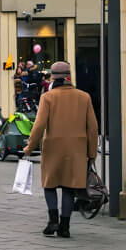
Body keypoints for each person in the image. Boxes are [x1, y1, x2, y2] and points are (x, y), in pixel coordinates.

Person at [23, 60, 98, 239]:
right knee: (69, 187)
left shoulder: (47, 97)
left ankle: (53, 221)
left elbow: (39, 125)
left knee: (50, 184)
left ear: (53, 79)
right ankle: (65, 226)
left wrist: (29, 147)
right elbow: (93, 128)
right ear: (69, 77)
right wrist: (92, 153)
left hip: (53, 148)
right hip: (77, 149)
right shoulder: (84, 97)